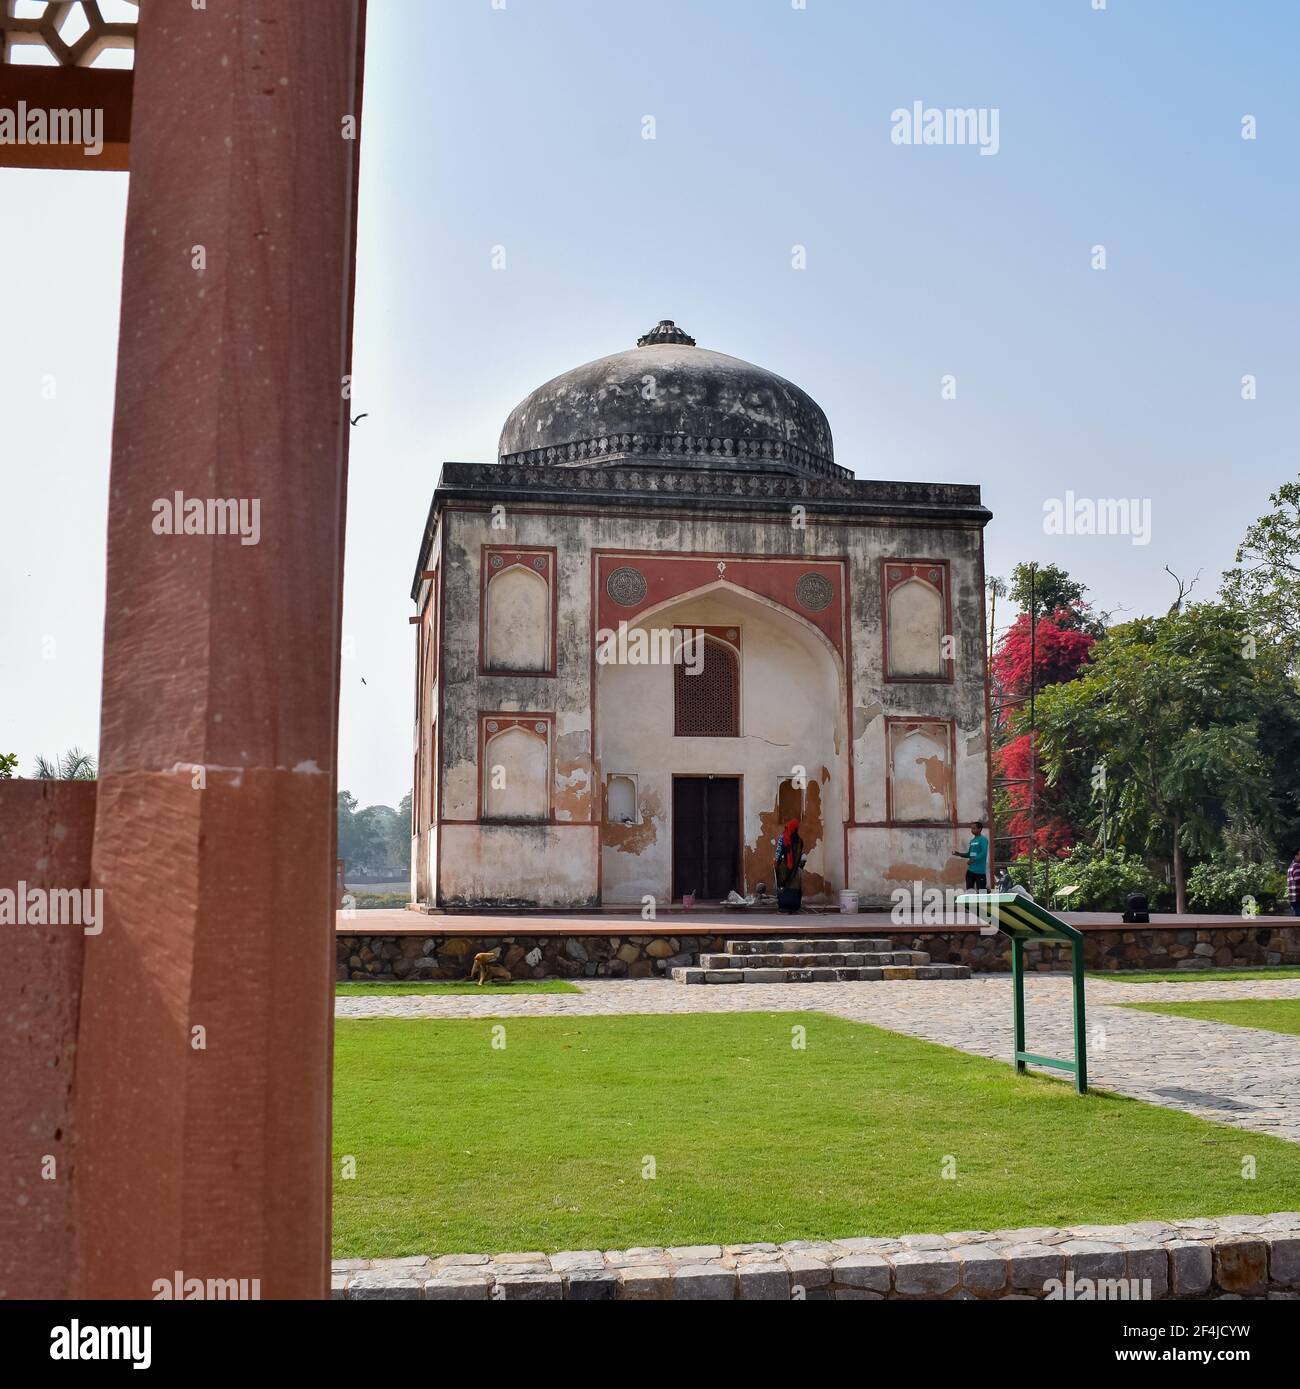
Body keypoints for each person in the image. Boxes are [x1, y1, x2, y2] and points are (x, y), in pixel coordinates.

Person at [774, 818, 805, 914]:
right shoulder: (800, 841)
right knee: (794, 887)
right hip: (795, 869)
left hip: (783, 867)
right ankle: (794, 907)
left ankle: (784, 906)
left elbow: (778, 852)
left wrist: (776, 863)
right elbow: (800, 855)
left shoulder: (783, 837)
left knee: (783, 885)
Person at [953, 821, 989, 890]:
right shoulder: (972, 841)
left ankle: (987, 892)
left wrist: (973, 859)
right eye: (971, 828)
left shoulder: (983, 840)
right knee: (969, 893)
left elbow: (983, 852)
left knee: (982, 894)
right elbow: (969, 854)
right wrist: (959, 854)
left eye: (974, 828)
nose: (972, 830)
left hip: (980, 872)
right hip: (970, 871)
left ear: (980, 829)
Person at [1289, 848, 1300, 917]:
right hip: (1298, 898)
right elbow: (1298, 879)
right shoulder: (1297, 866)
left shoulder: (1291, 866)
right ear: (1296, 856)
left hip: (1294, 898)